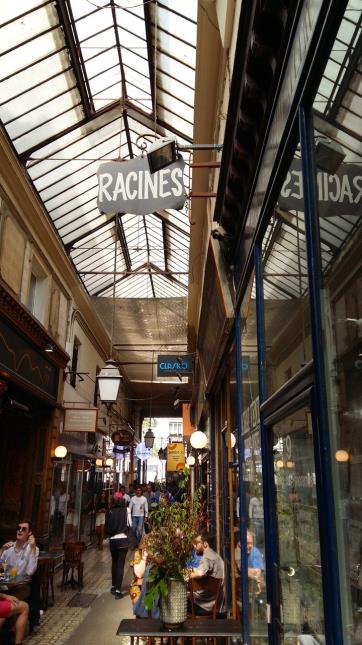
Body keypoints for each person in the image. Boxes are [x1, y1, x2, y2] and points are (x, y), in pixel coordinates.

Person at [189, 532, 225, 615]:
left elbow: (200, 573)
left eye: (196, 544)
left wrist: (188, 575)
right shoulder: (215, 556)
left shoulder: (207, 557)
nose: (194, 547)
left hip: (205, 606)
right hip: (216, 603)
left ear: (205, 544)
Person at [105, 492, 131, 599]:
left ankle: (114, 585)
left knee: (114, 563)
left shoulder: (109, 511)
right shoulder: (126, 510)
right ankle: (118, 590)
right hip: (123, 540)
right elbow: (130, 524)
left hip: (113, 541)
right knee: (120, 564)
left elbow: (107, 528)